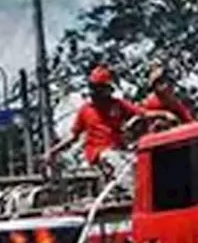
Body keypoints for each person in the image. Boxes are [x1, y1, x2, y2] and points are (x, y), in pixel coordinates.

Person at [44, 65, 176, 178]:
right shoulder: (85, 110)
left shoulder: (117, 104)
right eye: (94, 88)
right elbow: (73, 136)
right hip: (100, 154)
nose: (96, 92)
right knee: (116, 162)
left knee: (141, 163)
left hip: (119, 150)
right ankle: (132, 193)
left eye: (100, 88)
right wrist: (53, 151)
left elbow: (142, 113)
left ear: (107, 89)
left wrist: (164, 114)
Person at [141, 63, 195, 127]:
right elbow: (142, 114)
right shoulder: (149, 102)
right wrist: (163, 114)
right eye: (160, 82)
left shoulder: (173, 100)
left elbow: (189, 121)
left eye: (165, 80)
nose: (166, 85)